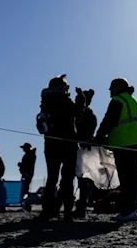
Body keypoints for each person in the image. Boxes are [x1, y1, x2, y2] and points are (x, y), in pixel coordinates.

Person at [35, 74, 86, 222]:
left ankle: (47, 211)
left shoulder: (45, 101)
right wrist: (81, 98)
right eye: (66, 86)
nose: (67, 89)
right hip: (68, 144)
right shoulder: (64, 100)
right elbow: (77, 113)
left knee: (52, 178)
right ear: (59, 87)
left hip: (50, 143)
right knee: (67, 179)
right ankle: (67, 213)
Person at [95, 78, 137, 223]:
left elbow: (109, 121)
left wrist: (98, 137)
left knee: (125, 179)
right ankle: (132, 210)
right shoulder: (132, 100)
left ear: (118, 87)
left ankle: (127, 212)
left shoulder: (118, 100)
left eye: (111, 87)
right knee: (132, 179)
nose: (109, 90)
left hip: (124, 143)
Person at [74, 89, 97, 218]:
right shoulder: (90, 115)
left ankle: (81, 207)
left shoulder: (84, 115)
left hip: (81, 149)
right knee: (82, 180)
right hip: (85, 149)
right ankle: (80, 206)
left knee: (81, 180)